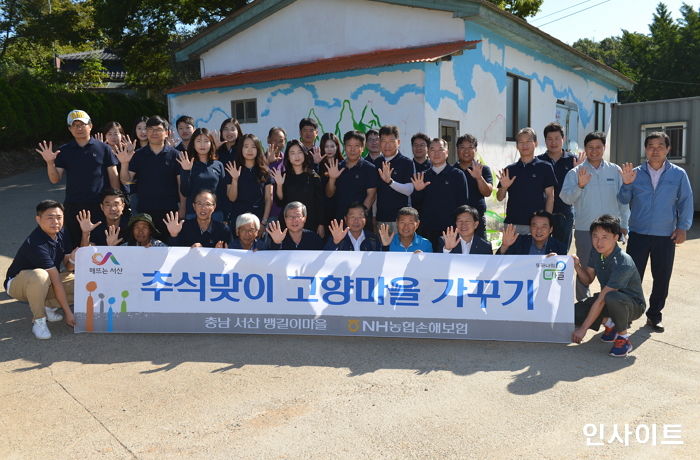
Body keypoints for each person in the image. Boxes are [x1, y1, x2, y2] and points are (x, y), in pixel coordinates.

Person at [617, 131, 694, 333]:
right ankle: (628, 313)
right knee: (632, 277)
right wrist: (626, 184)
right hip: (639, 233)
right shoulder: (634, 172)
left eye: (660, 146)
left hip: (665, 235)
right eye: (651, 146)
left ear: (668, 149)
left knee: (662, 277)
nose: (655, 150)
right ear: (645, 149)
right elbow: (623, 199)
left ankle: (654, 315)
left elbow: (686, 201)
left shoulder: (678, 174)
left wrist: (683, 227)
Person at [560, 131, 630, 301]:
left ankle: (611, 304)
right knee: (584, 269)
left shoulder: (615, 170)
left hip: (611, 231)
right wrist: (580, 186)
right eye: (590, 147)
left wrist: (624, 225)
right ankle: (583, 304)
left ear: (604, 148)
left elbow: (623, 201)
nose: (594, 151)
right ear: (585, 148)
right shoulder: (576, 172)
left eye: (598, 147)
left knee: (613, 270)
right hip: (585, 230)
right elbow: (566, 198)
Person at [36, 109, 120, 244]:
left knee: (101, 243)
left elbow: (113, 176)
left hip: (99, 205)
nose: (79, 128)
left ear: (90, 126)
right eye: (75, 125)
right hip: (73, 205)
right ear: (70, 129)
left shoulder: (103, 148)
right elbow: (54, 179)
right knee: (76, 243)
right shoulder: (64, 150)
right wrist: (50, 162)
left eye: (82, 124)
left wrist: (116, 200)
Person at [572, 215, 646, 357]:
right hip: (608, 300)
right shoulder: (596, 252)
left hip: (633, 305)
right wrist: (577, 266)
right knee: (574, 313)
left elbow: (603, 298)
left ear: (615, 237)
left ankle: (623, 339)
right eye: (595, 236)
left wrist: (583, 329)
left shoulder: (623, 262)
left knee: (611, 297)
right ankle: (611, 324)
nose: (599, 242)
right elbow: (587, 280)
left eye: (604, 237)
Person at [4, 200, 78, 339]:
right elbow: (56, 281)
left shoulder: (63, 232)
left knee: (82, 284)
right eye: (50, 218)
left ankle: (48, 306)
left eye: (59, 217)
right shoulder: (36, 243)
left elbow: (68, 267)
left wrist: (73, 259)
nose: (55, 222)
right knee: (40, 275)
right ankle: (39, 320)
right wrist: (68, 313)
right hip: (18, 284)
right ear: (38, 219)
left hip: (46, 280)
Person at [115, 115, 183, 237]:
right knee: (147, 248)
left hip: (170, 211)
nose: (153, 133)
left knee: (169, 246)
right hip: (145, 211)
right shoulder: (139, 155)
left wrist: (182, 208)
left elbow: (180, 185)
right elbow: (126, 180)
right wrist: (124, 163)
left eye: (158, 129)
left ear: (166, 133)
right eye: (150, 129)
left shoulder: (176, 155)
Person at [411, 138, 469, 250]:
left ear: (447, 153)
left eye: (440, 149)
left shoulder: (457, 175)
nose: (436, 153)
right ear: (428, 153)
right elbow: (415, 206)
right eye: (432, 150)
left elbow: (463, 205)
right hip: (426, 232)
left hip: (450, 232)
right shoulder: (422, 176)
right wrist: (418, 190)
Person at [497, 127, 556, 235]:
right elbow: (499, 198)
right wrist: (504, 187)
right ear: (516, 146)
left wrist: (546, 222)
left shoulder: (545, 167)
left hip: (536, 226)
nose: (525, 145)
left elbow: (550, 196)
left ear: (536, 143)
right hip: (512, 224)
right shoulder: (510, 169)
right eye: (521, 142)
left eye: (528, 141)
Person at [536, 122, 580, 250]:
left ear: (563, 139)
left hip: (564, 213)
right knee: (541, 249)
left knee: (561, 252)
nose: (553, 142)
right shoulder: (538, 161)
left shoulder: (573, 161)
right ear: (545, 141)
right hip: (542, 213)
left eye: (557, 138)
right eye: (549, 139)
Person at [270, 140, 325, 236]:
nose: (297, 156)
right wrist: (279, 184)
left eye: (299, 152)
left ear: (304, 154)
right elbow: (280, 202)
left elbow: (320, 203)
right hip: (289, 225)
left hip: (310, 223)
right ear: (288, 157)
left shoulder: (313, 176)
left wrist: (321, 224)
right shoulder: (282, 176)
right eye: (292, 153)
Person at [325, 130, 377, 222]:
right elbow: (329, 194)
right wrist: (332, 179)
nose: (352, 149)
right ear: (344, 147)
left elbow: (371, 195)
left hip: (361, 222)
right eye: (349, 146)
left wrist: (360, 216)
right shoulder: (337, 167)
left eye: (356, 146)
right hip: (340, 220)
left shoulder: (370, 168)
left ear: (362, 148)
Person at [225, 133, 274, 231]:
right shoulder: (233, 169)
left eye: (253, 147)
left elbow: (269, 199)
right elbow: (231, 198)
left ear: (258, 149)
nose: (250, 150)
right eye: (246, 146)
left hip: (258, 220)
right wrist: (235, 179)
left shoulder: (264, 171)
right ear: (241, 149)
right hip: (238, 219)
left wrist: (263, 222)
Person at [177, 128, 226, 221]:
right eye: (199, 141)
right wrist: (186, 171)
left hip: (216, 213)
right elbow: (185, 192)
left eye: (206, 141)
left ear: (211, 144)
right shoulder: (187, 163)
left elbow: (223, 192)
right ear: (193, 144)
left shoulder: (218, 165)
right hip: (193, 213)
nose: (202, 145)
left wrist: (226, 214)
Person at [375, 125, 415, 232]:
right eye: (383, 141)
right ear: (379, 143)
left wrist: (390, 182)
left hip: (401, 221)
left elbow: (409, 190)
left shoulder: (406, 163)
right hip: (381, 219)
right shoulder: (376, 162)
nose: (387, 145)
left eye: (391, 141)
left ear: (398, 142)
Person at [454, 134, 493, 239]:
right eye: (462, 147)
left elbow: (488, 192)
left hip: (477, 220)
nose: (466, 151)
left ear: (475, 150)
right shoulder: (451, 170)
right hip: (455, 220)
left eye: (470, 147)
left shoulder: (483, 169)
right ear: (457, 149)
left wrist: (479, 178)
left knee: (480, 251)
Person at [163, 191, 231, 248]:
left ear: (214, 207)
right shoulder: (184, 227)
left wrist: (217, 251)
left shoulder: (223, 229)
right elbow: (174, 253)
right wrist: (174, 235)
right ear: (194, 206)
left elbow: (231, 255)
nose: (203, 208)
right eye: (199, 204)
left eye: (207, 204)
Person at [497, 211, 567, 255]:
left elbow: (563, 274)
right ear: (530, 228)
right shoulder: (519, 242)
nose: (539, 230)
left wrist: (557, 261)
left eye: (543, 227)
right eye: (535, 226)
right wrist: (504, 246)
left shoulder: (559, 248)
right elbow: (497, 263)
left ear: (551, 229)